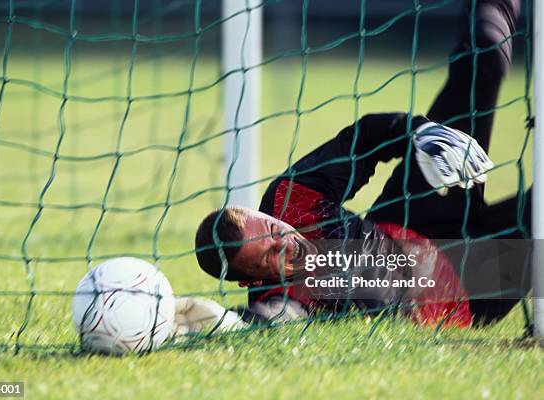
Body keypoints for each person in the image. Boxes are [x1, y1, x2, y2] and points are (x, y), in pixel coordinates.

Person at [195, 0, 529, 328]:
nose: (285, 241)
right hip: (468, 291)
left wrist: (421, 133)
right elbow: (275, 316)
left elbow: (363, 140)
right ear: (250, 281)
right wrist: (210, 321)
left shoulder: (290, 198)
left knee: (483, 59)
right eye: (269, 255)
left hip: (416, 216)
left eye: (272, 230)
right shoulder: (282, 297)